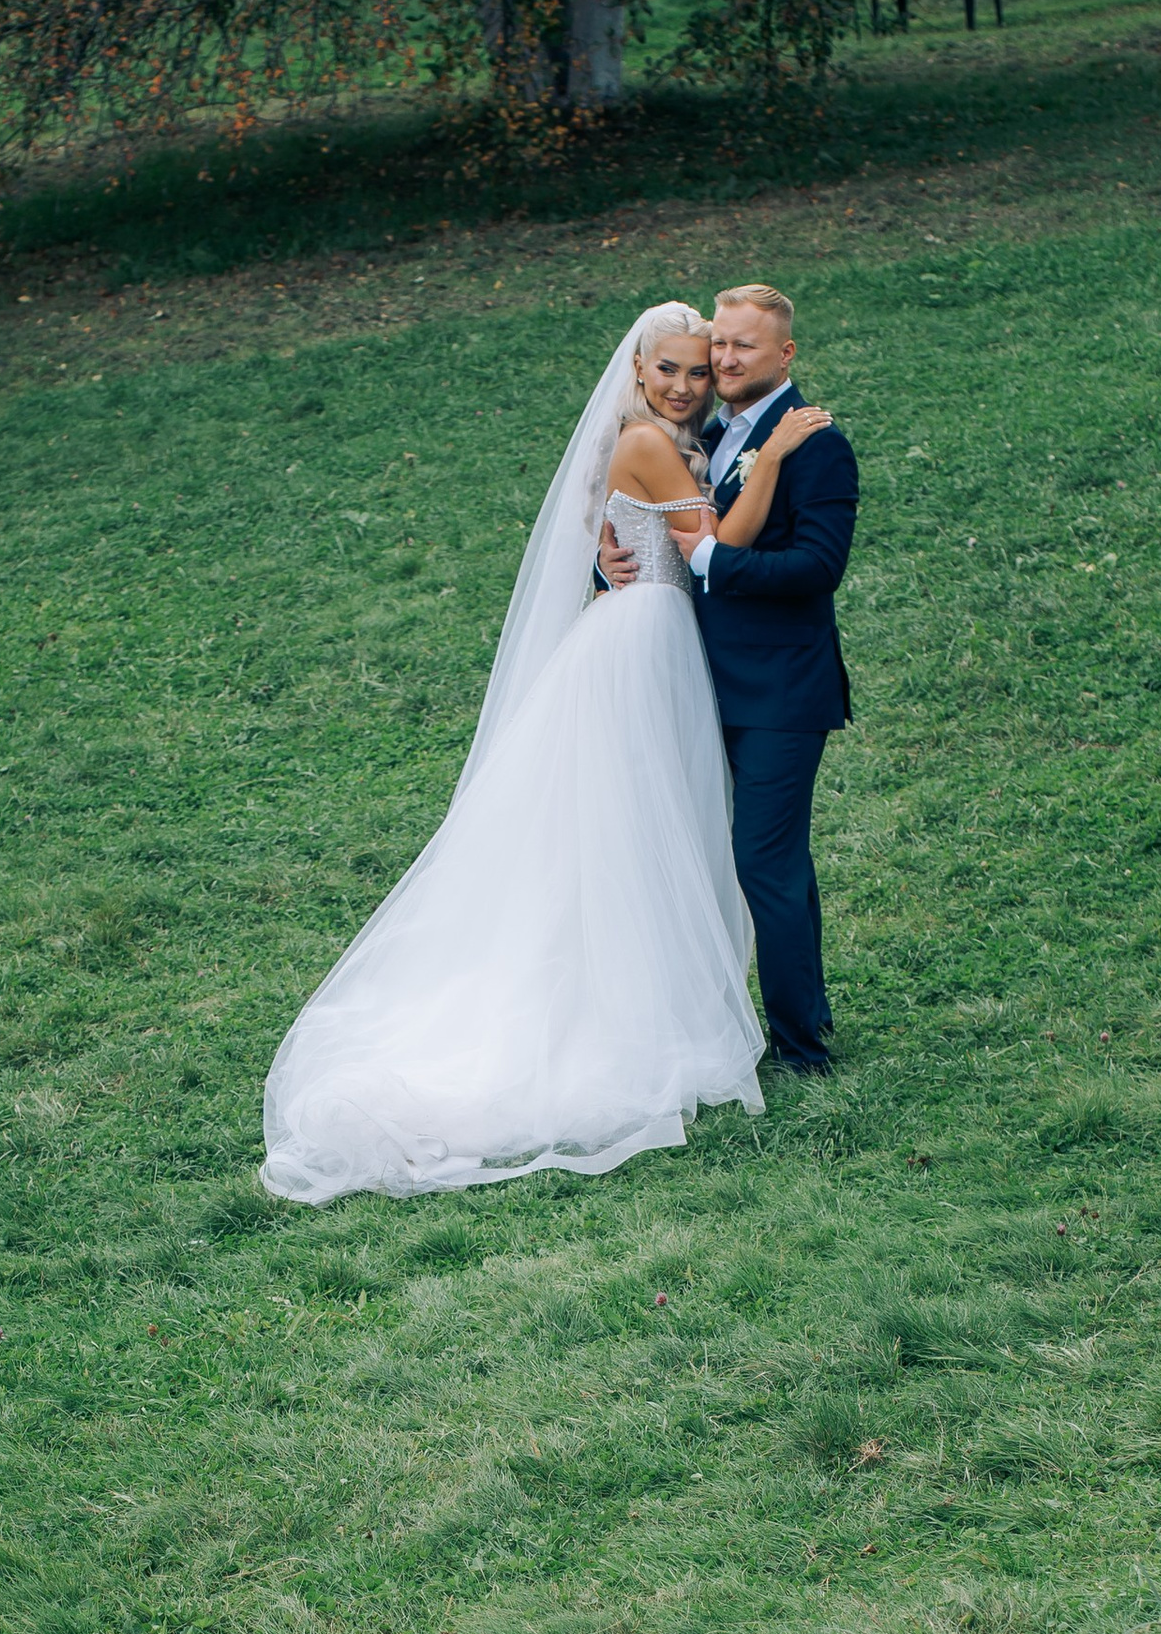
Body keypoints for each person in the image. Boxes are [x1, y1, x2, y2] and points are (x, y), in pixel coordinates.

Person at [259, 305, 832, 1204]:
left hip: (663, 639)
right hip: (643, 643)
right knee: (627, 835)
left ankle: (663, 1003)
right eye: (669, 369)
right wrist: (776, 456)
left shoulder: (677, 437)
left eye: (698, 368)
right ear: (637, 371)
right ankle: (618, 1023)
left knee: (658, 836)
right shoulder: (648, 442)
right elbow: (722, 542)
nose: (686, 383)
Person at [599, 282, 859, 1075]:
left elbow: (819, 567)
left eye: (745, 346)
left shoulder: (814, 441)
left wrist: (708, 559)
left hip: (780, 691)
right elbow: (633, 513)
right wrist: (608, 561)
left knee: (764, 861)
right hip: (695, 683)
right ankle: (755, 1018)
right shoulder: (699, 432)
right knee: (704, 856)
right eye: (723, 344)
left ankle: (800, 1048)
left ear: (784, 355)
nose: (726, 358)